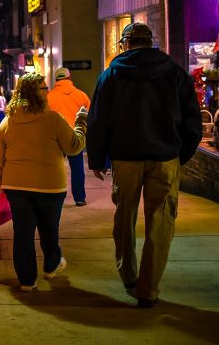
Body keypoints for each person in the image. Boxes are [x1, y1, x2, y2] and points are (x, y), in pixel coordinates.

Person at [87, 22, 201, 309]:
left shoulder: (111, 74)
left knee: (124, 217)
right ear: (150, 43)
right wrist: (179, 153)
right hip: (165, 158)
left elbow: (99, 119)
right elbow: (192, 120)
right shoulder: (175, 73)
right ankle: (148, 290)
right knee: (161, 223)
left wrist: (97, 157)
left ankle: (128, 274)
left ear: (125, 44)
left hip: (125, 157)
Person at [0, 72, 87, 292]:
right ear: (36, 93)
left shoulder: (8, 121)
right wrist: (81, 122)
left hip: (17, 188)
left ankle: (27, 280)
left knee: (23, 235)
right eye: (44, 88)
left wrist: (0, 182)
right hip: (50, 187)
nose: (47, 92)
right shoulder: (53, 119)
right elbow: (74, 146)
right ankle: (51, 265)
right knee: (49, 230)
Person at [47, 67, 92, 207]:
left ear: (56, 80)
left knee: (54, 167)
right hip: (75, 136)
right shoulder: (81, 95)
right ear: (69, 77)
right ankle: (79, 198)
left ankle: (53, 196)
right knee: (77, 168)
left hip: (56, 137)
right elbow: (89, 116)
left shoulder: (49, 96)